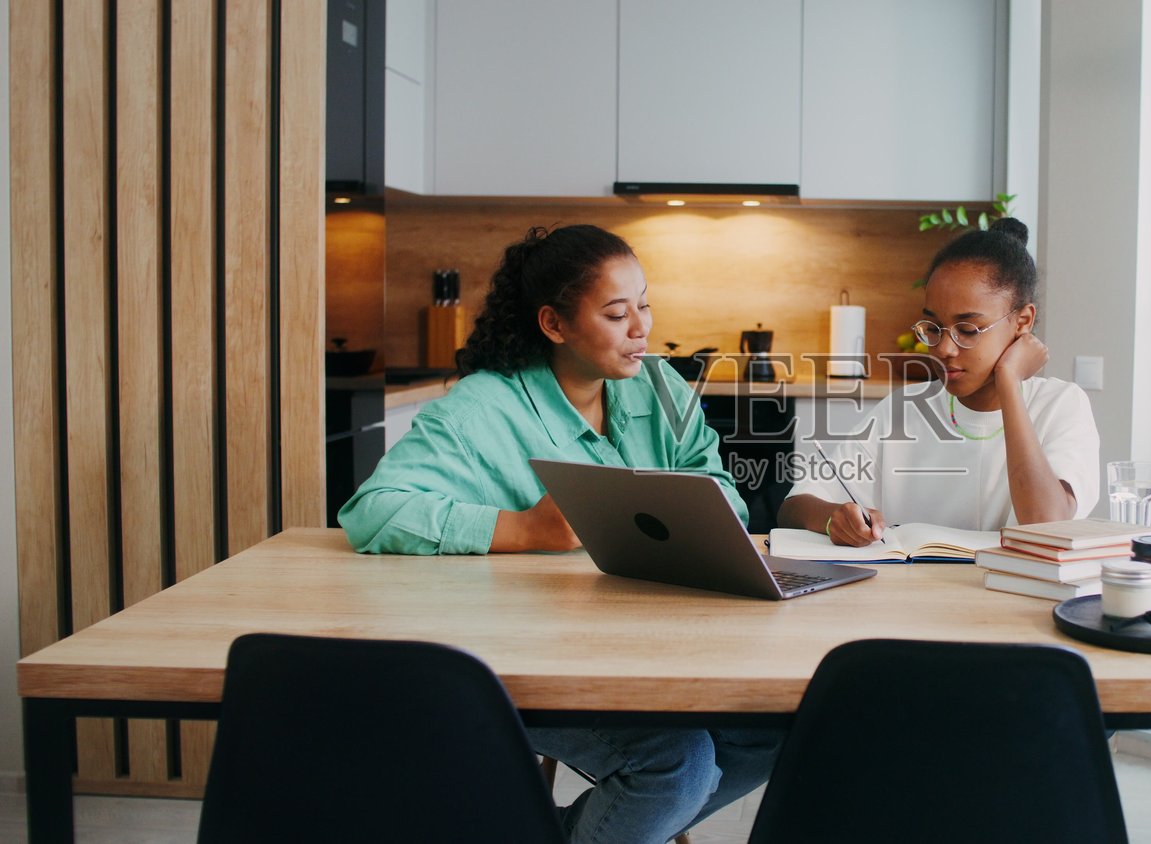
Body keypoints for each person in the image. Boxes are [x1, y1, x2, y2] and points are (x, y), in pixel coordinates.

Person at [339, 224, 783, 844]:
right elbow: (372, 512)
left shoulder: (661, 385)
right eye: (616, 314)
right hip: (521, 660)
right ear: (553, 323)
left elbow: (720, 489)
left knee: (774, 729)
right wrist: (522, 528)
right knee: (677, 767)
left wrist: (697, 517)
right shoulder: (479, 409)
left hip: (648, 648)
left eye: (645, 305)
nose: (641, 328)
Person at [778, 217, 1100, 544]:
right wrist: (833, 519)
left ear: (1023, 321)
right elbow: (793, 506)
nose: (944, 349)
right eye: (933, 328)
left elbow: (1045, 524)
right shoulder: (904, 410)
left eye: (968, 330)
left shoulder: (1061, 405)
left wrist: (1008, 380)